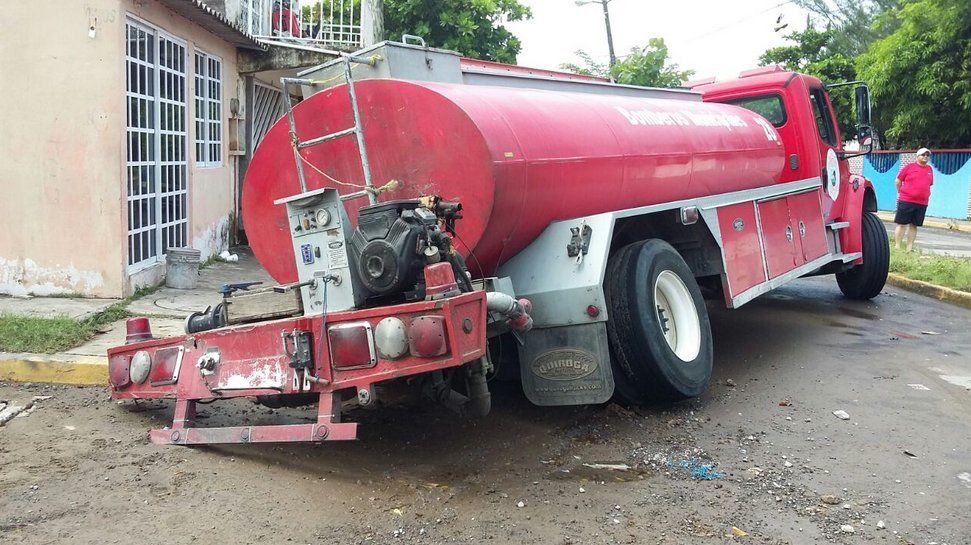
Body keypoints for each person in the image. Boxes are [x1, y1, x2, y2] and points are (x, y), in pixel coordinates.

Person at [894, 147, 934, 251]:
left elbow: (929, 184)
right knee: (902, 224)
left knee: (914, 225)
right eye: (923, 155)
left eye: (927, 155)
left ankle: (909, 247)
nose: (925, 157)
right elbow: (898, 181)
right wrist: (901, 191)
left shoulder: (929, 169)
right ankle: (897, 246)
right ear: (917, 156)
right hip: (906, 200)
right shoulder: (910, 167)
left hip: (922, 202)